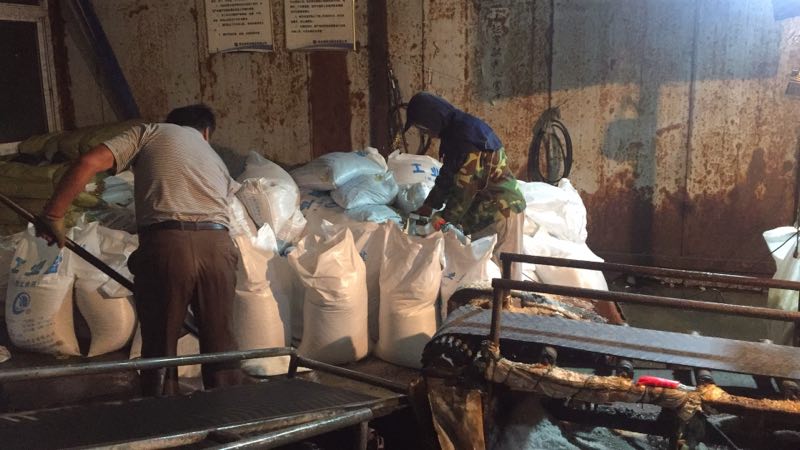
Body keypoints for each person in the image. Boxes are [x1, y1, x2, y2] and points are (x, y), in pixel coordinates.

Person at [36, 104, 249, 396]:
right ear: (206, 133)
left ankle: (162, 414)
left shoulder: (150, 133)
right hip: (219, 247)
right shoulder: (215, 159)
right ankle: (231, 413)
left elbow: (88, 162)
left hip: (168, 244)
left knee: (160, 346)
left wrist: (53, 215)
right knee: (221, 345)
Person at [405, 92, 527, 280]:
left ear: (432, 119)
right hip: (482, 214)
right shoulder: (453, 134)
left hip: (500, 212)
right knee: (483, 276)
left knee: (503, 277)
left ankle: (509, 299)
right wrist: (429, 204)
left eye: (424, 128)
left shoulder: (468, 137)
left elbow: (465, 188)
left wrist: (444, 218)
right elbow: (447, 176)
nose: (426, 134)